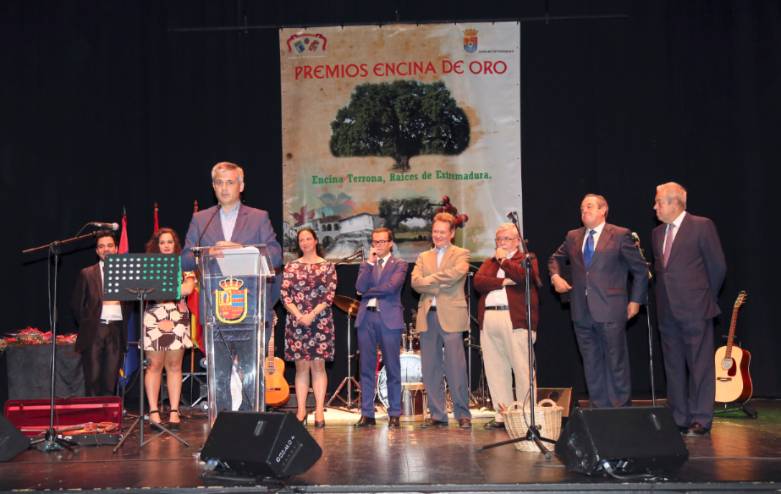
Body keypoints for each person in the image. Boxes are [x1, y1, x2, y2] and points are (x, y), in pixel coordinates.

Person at [548, 194, 648, 408]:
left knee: (615, 361)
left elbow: (640, 270)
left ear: (603, 210)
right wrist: (555, 277)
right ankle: (599, 410)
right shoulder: (573, 236)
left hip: (611, 308)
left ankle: (620, 410)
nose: (584, 211)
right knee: (591, 362)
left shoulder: (620, 234)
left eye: (590, 206)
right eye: (582, 208)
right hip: (581, 310)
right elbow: (555, 258)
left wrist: (636, 301)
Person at [652, 182, 726, 435]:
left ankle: (701, 418)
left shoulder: (701, 226)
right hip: (667, 310)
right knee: (673, 365)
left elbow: (717, 267)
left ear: (674, 203)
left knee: (699, 365)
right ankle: (679, 416)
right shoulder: (657, 233)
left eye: (658, 202)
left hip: (696, 308)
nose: (655, 207)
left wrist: (705, 297)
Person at [181, 161, 283, 343]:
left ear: (241, 186)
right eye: (219, 182)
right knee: (218, 363)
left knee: (250, 363)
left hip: (251, 308)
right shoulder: (201, 219)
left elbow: (276, 256)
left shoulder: (259, 217)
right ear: (213, 186)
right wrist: (207, 253)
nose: (224, 188)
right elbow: (185, 259)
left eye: (230, 182)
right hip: (215, 310)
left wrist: (243, 250)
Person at [473, 223, 541, 429]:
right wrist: (502, 282)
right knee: (495, 369)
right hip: (489, 318)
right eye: (498, 239)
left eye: (506, 239)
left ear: (517, 241)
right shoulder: (489, 262)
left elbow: (522, 277)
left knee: (522, 369)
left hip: (514, 319)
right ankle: (503, 415)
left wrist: (504, 261)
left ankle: (526, 416)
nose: (501, 243)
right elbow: (478, 282)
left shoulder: (527, 259)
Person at [411, 212, 472, 428]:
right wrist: (437, 282)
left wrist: (429, 281)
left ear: (452, 233)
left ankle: (462, 414)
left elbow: (456, 275)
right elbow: (415, 283)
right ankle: (437, 414)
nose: (438, 235)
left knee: (456, 367)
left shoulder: (461, 254)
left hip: (452, 315)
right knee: (430, 368)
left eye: (442, 232)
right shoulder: (423, 256)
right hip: (428, 315)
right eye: (435, 231)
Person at [281, 227, 337, 428]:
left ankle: (319, 411)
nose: (304, 242)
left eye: (308, 238)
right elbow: (285, 295)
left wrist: (311, 315)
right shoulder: (291, 266)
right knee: (301, 367)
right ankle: (301, 410)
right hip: (296, 322)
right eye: (301, 240)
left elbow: (329, 296)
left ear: (315, 241)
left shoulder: (327, 266)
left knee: (318, 366)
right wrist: (299, 315)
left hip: (320, 321)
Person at [354, 227, 408, 428]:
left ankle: (394, 413)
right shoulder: (366, 265)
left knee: (392, 367)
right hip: (366, 318)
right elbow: (359, 287)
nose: (378, 245)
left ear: (390, 243)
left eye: (382, 241)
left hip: (389, 319)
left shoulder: (400, 264)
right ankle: (367, 413)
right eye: (375, 242)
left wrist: (366, 293)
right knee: (366, 368)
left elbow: (391, 288)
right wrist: (369, 263)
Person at [142, 228, 195, 431]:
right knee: (154, 365)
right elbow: (147, 292)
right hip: (154, 315)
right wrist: (174, 289)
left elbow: (188, 289)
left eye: (169, 242)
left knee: (174, 366)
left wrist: (161, 289)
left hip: (177, 315)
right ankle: (154, 411)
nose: (166, 245)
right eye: (162, 242)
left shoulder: (185, 264)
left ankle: (174, 411)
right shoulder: (149, 266)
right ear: (157, 245)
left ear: (175, 245)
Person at [71, 231, 131, 396]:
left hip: (116, 330)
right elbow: (77, 305)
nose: (106, 249)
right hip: (94, 330)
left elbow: (130, 304)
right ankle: (92, 412)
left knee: (111, 380)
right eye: (102, 246)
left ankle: (108, 412)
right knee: (93, 378)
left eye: (110, 245)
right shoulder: (87, 273)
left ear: (116, 248)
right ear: (97, 251)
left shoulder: (127, 273)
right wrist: (90, 323)